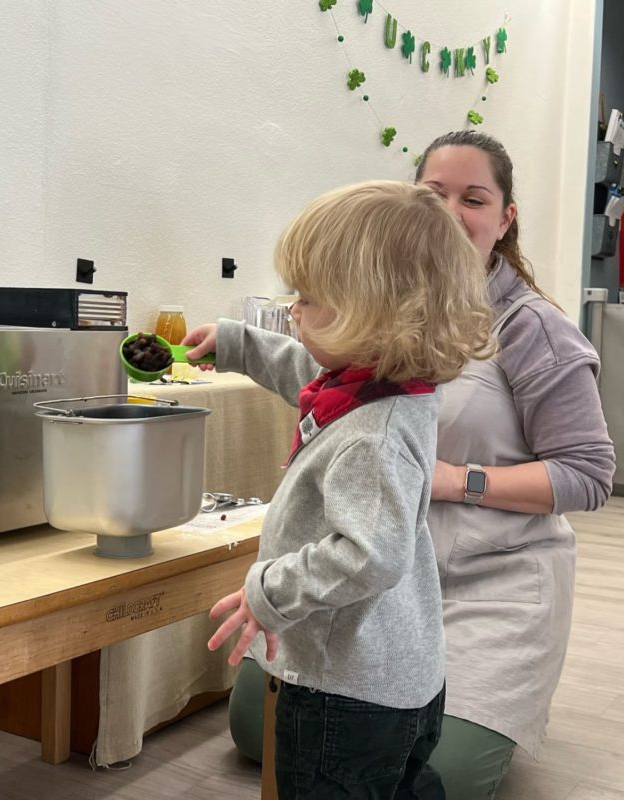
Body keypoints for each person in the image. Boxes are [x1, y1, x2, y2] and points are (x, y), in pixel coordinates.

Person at [221, 130, 617, 800]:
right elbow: (315, 373)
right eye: (435, 196)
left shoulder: (530, 332)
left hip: (481, 577)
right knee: (260, 729)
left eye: (473, 198)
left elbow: (588, 474)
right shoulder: (395, 342)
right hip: (393, 584)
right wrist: (236, 343)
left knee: (424, 766)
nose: (452, 213)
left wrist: (454, 480)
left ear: (505, 217)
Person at [189, 179, 497, 799]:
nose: (294, 311)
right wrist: (239, 344)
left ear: (375, 316)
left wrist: (271, 593)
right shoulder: (388, 386)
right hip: (398, 679)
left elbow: (367, 556)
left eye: (308, 299)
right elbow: (307, 370)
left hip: (345, 694)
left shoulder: (371, 437)